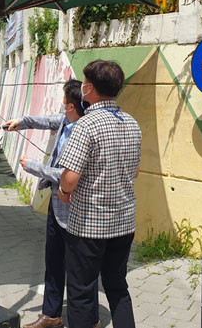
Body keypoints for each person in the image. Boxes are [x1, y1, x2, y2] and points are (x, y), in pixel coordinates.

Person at [3, 80, 99, 328]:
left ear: (70, 106)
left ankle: (90, 319)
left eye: (63, 100)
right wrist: (20, 122)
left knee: (80, 268)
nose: (61, 103)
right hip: (56, 206)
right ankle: (51, 315)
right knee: (53, 261)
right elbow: (44, 121)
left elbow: (65, 175)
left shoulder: (83, 133)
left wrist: (32, 166)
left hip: (76, 209)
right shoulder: (66, 120)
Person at [59, 60, 141, 328]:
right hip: (124, 223)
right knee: (117, 286)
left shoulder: (86, 125)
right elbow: (135, 172)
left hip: (88, 227)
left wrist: (62, 190)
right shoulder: (132, 123)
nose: (82, 87)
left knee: (81, 290)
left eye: (84, 83)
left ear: (90, 88)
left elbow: (70, 179)